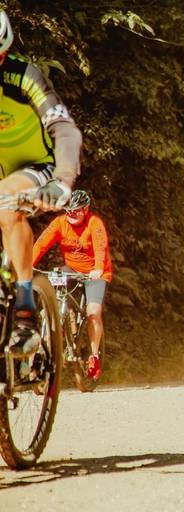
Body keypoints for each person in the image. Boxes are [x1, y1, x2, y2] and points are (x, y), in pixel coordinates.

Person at [1, 10, 81, 355]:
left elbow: (65, 130)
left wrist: (63, 179)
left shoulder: (23, 75)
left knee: (5, 202)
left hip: (38, 166)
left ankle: (25, 313)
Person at [32, 191, 111, 379]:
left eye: (76, 211)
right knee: (55, 289)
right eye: (68, 211)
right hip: (72, 269)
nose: (72, 214)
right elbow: (41, 244)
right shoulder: (60, 223)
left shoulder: (94, 223)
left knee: (93, 313)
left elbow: (100, 247)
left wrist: (98, 268)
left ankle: (93, 356)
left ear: (85, 209)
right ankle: (63, 320)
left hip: (95, 272)